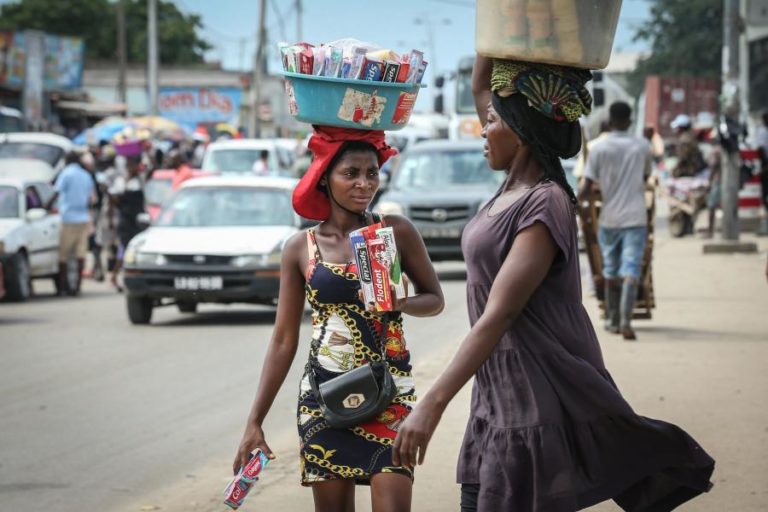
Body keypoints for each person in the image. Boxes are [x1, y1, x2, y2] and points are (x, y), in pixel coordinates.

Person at [392, 55, 714, 512]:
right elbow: (483, 85)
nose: (482, 130)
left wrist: (431, 404)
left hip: (534, 395)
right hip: (496, 395)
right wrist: (494, 33)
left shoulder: (545, 204)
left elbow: (499, 314)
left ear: (521, 131)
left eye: (490, 122)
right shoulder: (510, 187)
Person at [233, 126, 444, 512]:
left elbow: (435, 300)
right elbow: (283, 339)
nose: (365, 183)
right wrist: (254, 421)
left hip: (389, 393)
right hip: (324, 397)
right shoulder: (301, 248)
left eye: (372, 173)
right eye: (352, 173)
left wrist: (402, 302)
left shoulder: (394, 232)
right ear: (325, 179)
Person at [578, 101, 652, 341]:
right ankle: (625, 320)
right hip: (635, 217)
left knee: (610, 268)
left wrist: (575, 206)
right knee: (631, 268)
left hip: (609, 218)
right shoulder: (642, 146)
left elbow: (586, 186)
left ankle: (611, 319)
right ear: (630, 121)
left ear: (609, 122)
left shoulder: (598, 148)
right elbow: (645, 177)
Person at [45, 150, 95, 296]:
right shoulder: (86, 175)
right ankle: (77, 286)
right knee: (81, 254)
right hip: (83, 218)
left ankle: (63, 287)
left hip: (67, 218)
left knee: (63, 255)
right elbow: (91, 199)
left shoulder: (66, 173)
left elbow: (56, 192)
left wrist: (46, 206)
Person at [108, 155, 145, 292]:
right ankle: (114, 276)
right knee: (125, 249)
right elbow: (113, 199)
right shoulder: (121, 181)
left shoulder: (140, 180)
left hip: (138, 221)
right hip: (125, 221)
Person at [670, 114, 705, 178]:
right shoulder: (690, 136)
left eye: (677, 127)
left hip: (689, 173)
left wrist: (674, 171)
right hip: (695, 171)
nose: (676, 130)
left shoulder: (684, 140)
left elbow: (683, 159)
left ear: (681, 128)